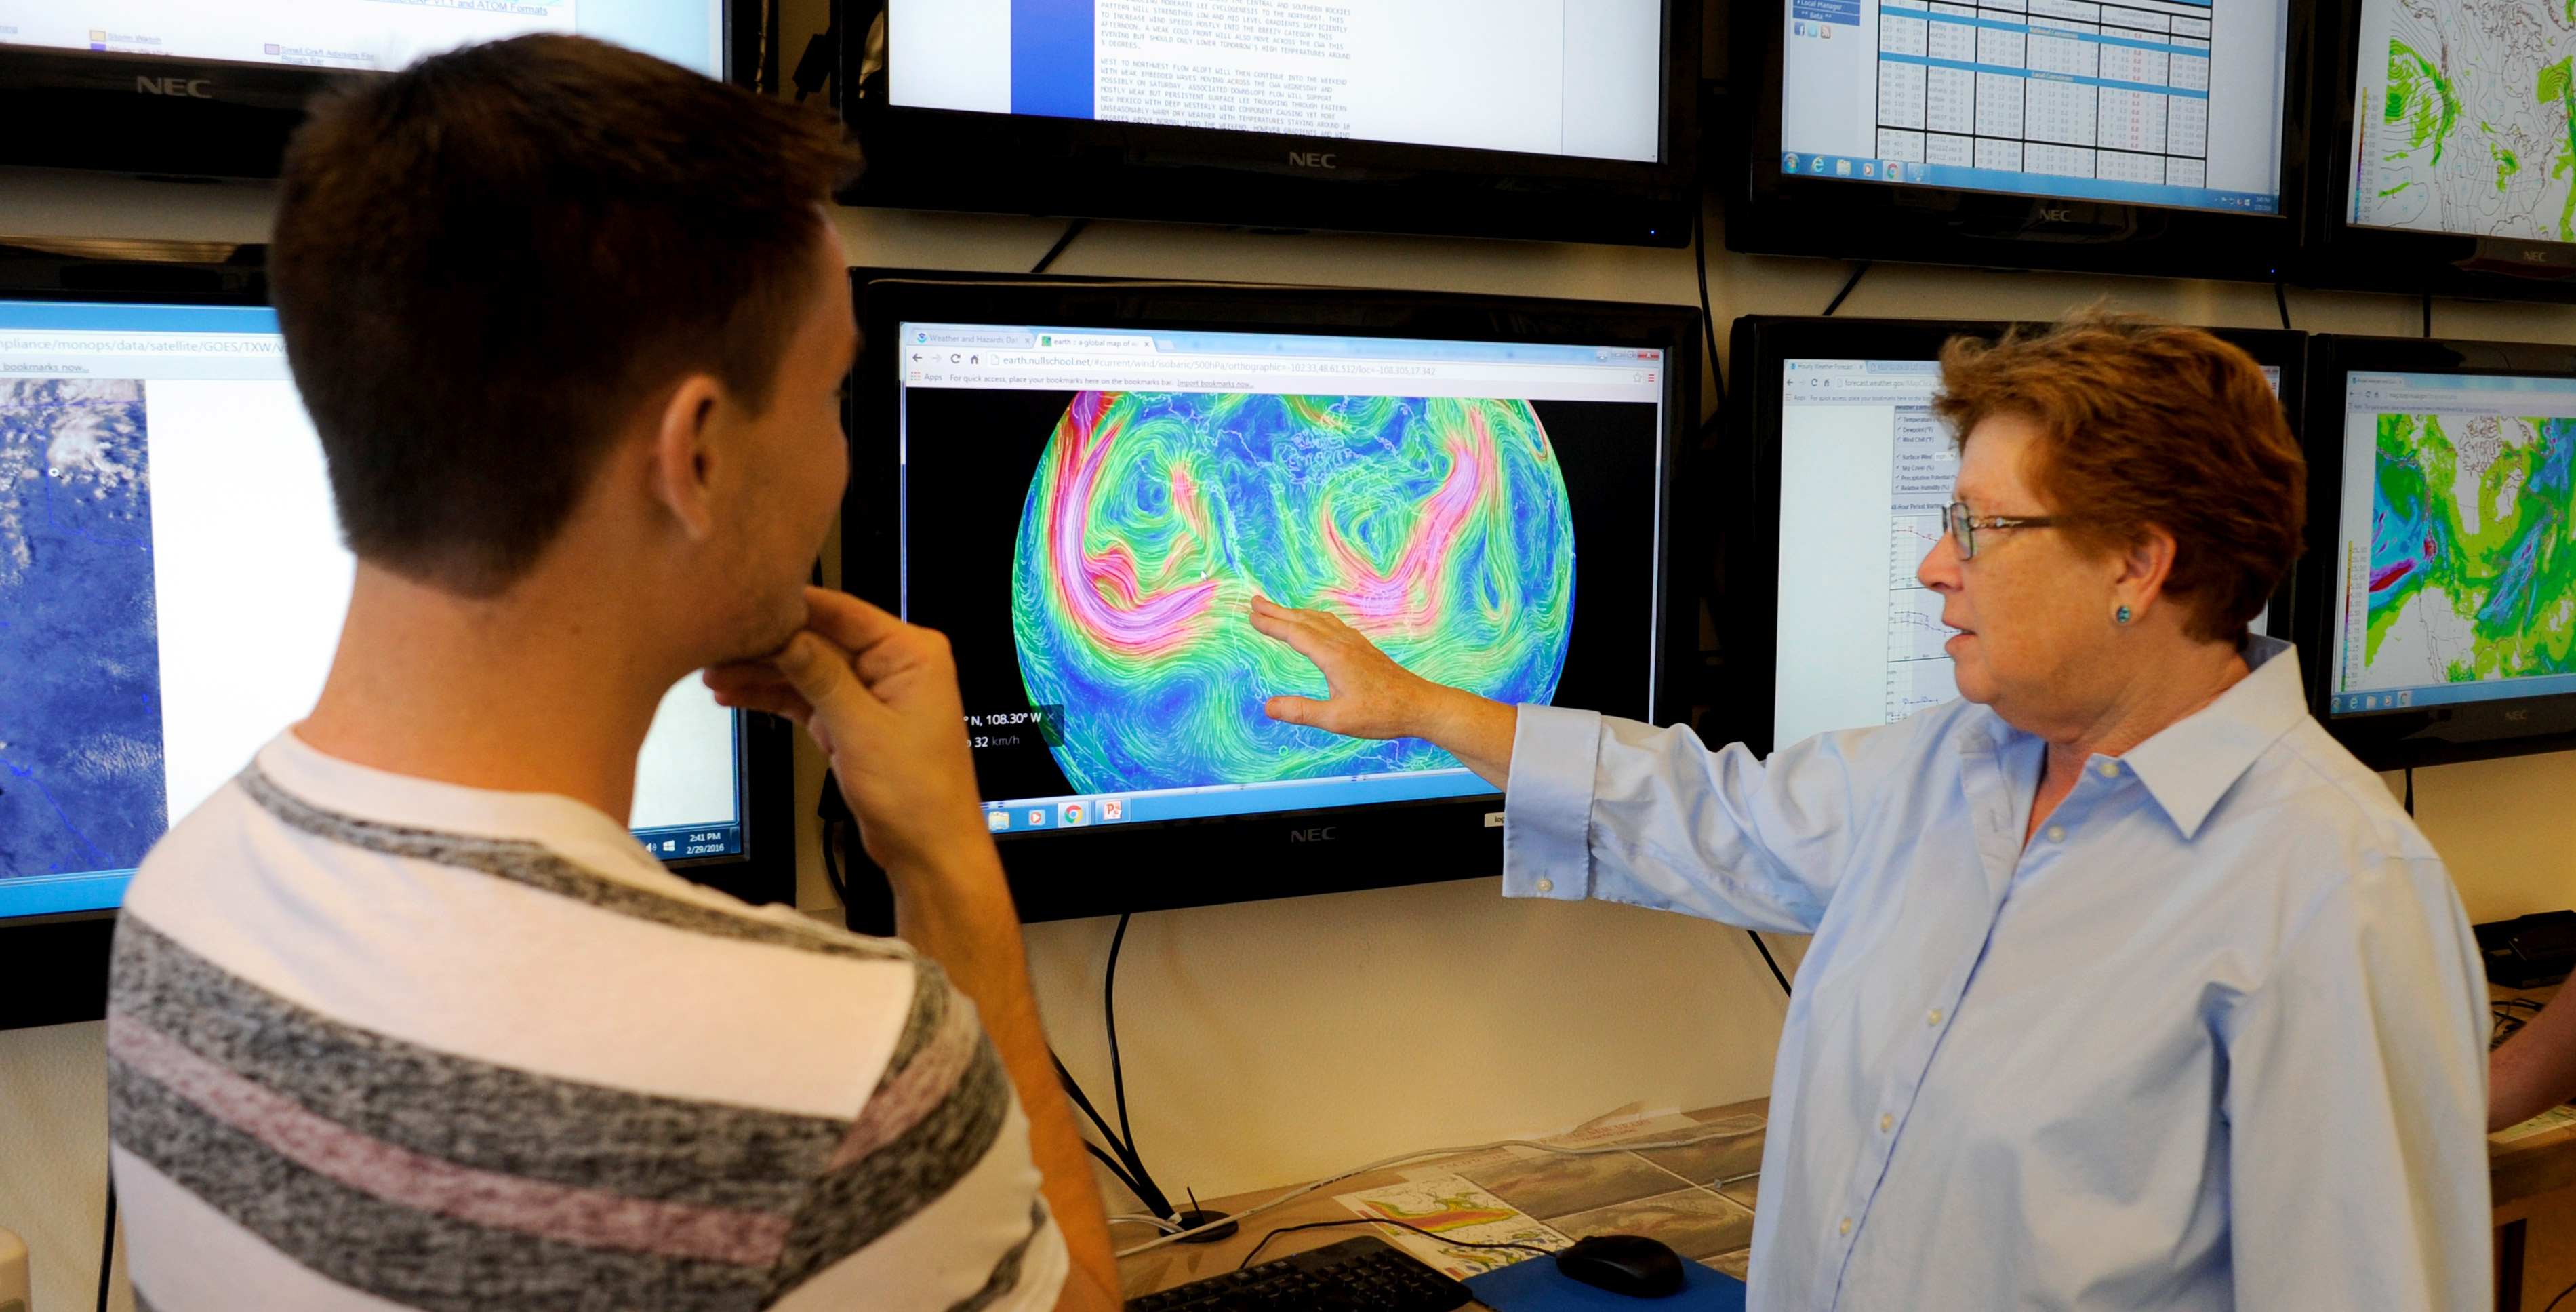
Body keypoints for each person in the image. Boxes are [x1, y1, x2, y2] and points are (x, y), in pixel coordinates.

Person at [103, 35, 1119, 1312]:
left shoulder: (178, 900)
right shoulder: (835, 1068)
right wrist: (945, 868)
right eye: (831, 395)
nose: (839, 461)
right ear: (693, 454)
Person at [1251, 313, 2491, 1310]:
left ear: (2138, 563)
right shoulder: (1958, 764)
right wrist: (1424, 707)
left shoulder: (2336, 890)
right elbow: (1711, 814)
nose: (1935, 564)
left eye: (1981, 526)